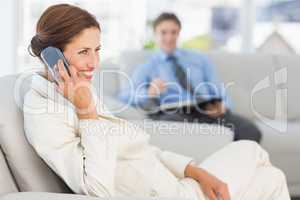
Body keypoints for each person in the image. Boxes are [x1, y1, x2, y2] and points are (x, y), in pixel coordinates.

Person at [23, 4, 290, 200]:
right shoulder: (48, 113)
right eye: (84, 52)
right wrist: (88, 112)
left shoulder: (78, 91)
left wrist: (194, 171)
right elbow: (97, 189)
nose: (94, 63)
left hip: (174, 180)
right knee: (252, 152)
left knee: (272, 177)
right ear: (52, 56)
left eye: (97, 50)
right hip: (165, 189)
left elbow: (139, 149)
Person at [119, 13, 262, 143]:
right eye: (163, 32)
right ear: (155, 34)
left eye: (173, 32)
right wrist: (148, 92)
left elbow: (217, 86)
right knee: (172, 126)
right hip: (177, 114)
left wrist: (224, 105)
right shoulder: (147, 67)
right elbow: (124, 96)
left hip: (207, 110)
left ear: (179, 33)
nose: (169, 37)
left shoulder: (199, 59)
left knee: (251, 131)